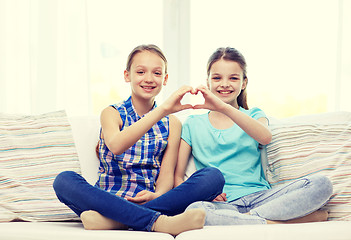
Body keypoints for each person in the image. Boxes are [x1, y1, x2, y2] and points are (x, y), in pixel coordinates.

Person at [53, 44, 224, 235]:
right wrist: (162, 110)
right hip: (106, 200)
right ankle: (158, 222)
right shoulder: (111, 113)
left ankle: (117, 221)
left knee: (213, 177)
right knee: (64, 180)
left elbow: (166, 174)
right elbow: (117, 146)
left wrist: (158, 194)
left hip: (151, 200)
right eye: (141, 72)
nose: (149, 79)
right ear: (128, 75)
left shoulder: (172, 124)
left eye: (157, 73)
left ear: (165, 79)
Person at [174, 47, 333, 225]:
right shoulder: (192, 124)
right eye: (217, 78)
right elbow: (178, 177)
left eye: (233, 78)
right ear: (208, 81)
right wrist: (203, 194)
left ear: (243, 83)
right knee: (195, 210)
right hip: (222, 204)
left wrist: (223, 107)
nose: (224, 84)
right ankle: (276, 222)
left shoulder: (255, 115)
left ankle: (246, 220)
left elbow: (265, 137)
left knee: (322, 184)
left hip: (262, 198)